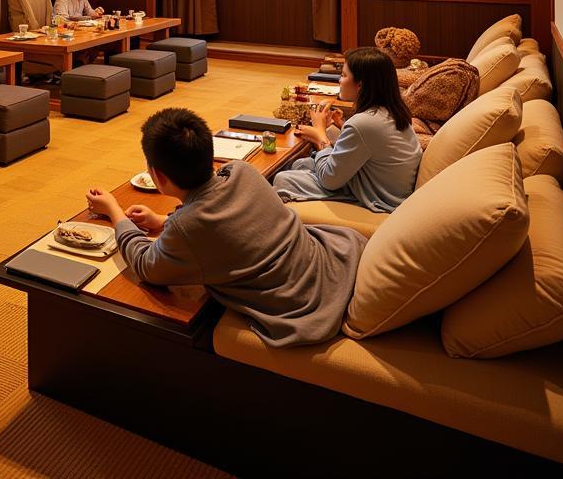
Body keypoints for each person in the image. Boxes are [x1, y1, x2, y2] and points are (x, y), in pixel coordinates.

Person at [86, 107, 366, 347]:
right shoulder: (241, 171)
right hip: (330, 262)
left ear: (157, 175)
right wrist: (163, 222)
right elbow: (221, 220)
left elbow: (147, 266)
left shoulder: (188, 226)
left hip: (304, 304)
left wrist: (114, 211)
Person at [273, 46, 422, 213]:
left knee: (283, 179)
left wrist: (319, 134)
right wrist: (341, 125)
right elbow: (371, 145)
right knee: (302, 164)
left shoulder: (364, 123)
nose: (339, 80)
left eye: (343, 75)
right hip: (388, 187)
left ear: (360, 85)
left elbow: (329, 179)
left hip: (377, 197)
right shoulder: (394, 110)